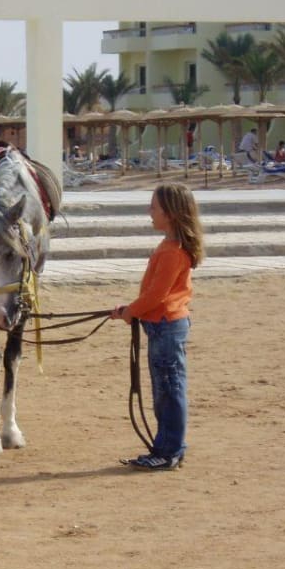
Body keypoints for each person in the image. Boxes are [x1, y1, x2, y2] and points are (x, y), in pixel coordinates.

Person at [111, 183, 205, 471]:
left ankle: (169, 450)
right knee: (165, 389)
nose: (149, 212)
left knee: (168, 390)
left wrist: (131, 312)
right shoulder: (170, 247)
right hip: (162, 324)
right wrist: (129, 311)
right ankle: (166, 447)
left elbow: (157, 295)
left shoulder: (171, 251)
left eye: (154, 207)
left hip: (165, 325)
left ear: (171, 213)